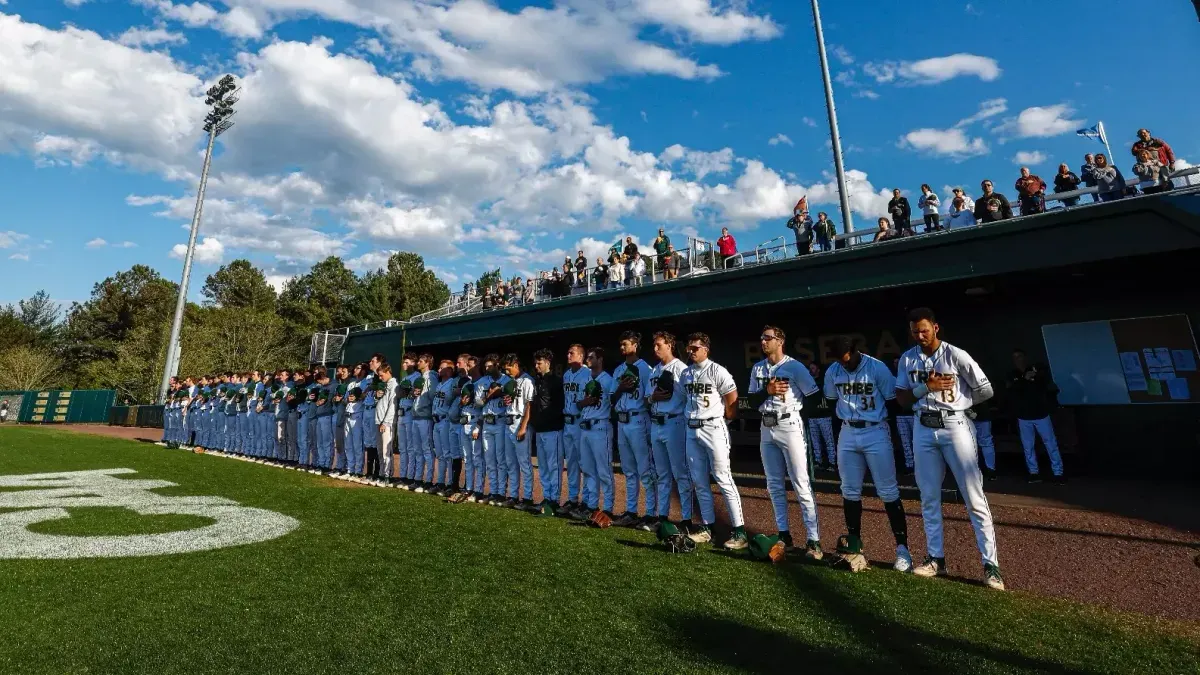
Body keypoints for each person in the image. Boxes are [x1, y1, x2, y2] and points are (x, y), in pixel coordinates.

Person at [894, 307, 1004, 591]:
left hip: (954, 425)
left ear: (936, 328)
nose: (920, 335)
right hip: (923, 426)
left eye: (925, 330)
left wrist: (963, 406)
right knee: (929, 496)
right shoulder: (908, 358)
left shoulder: (955, 354)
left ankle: (991, 567)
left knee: (974, 497)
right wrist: (926, 388)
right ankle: (935, 559)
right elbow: (903, 399)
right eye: (915, 331)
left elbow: (985, 389)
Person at [824, 336, 912, 573]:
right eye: (839, 360)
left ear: (854, 352)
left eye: (846, 359)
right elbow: (833, 402)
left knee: (888, 490)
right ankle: (855, 545)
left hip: (876, 430)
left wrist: (886, 432)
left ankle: (903, 550)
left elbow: (894, 403)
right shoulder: (834, 370)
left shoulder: (877, 367)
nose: (843, 364)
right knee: (849, 490)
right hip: (848, 431)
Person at [749, 325, 823, 559]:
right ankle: (784, 535)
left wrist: (798, 415)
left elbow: (814, 396)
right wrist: (767, 391)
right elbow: (752, 401)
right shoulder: (758, 368)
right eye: (762, 338)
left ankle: (814, 541)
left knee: (801, 483)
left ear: (780, 341)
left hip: (789, 425)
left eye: (767, 338)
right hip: (766, 426)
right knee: (774, 484)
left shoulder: (794, 367)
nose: (763, 342)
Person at [679, 332, 746, 550]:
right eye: (689, 348)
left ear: (706, 349)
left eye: (695, 348)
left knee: (723, 478)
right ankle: (707, 527)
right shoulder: (686, 373)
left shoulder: (717, 370)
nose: (691, 352)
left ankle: (739, 531)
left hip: (713, 427)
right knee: (699, 481)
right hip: (692, 430)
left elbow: (732, 398)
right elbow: (682, 397)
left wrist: (726, 418)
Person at [648, 331, 693, 534]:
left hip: (674, 423)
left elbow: (687, 398)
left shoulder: (681, 369)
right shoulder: (654, 370)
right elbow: (648, 398)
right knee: (662, 475)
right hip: (656, 424)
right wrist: (653, 398)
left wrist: (668, 396)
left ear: (670, 345)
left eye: (659, 345)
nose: (655, 348)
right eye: (654, 345)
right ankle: (663, 516)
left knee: (680, 473)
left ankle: (686, 519)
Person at [610, 331, 656, 530]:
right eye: (620, 344)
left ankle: (651, 514)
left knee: (645, 470)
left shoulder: (645, 369)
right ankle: (630, 512)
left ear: (635, 345)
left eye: (625, 344)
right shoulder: (619, 369)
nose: (622, 347)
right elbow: (611, 399)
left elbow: (650, 399)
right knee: (629, 471)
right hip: (622, 422)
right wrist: (621, 388)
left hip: (639, 420)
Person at [1007, 349, 1064, 483]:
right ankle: (1034, 473)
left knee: (1051, 444)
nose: (1018, 360)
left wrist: (1034, 376)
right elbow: (1011, 390)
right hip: (1023, 416)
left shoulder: (1037, 369)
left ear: (1025, 357)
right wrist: (1023, 379)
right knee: (1028, 446)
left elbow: (1049, 386)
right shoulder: (1012, 374)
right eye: (1015, 358)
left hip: (1041, 414)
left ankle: (1058, 473)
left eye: (1020, 356)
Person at [578, 347, 616, 520]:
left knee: (604, 470)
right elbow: (578, 404)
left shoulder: (608, 380)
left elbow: (614, 402)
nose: (588, 360)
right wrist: (585, 402)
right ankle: (592, 505)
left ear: (600, 359)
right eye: (587, 357)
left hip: (601, 426)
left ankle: (608, 507)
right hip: (585, 427)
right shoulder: (585, 378)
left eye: (591, 357)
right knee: (588, 470)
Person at [531, 348, 565, 514]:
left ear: (548, 363)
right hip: (540, 429)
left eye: (540, 362)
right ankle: (547, 497)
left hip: (553, 429)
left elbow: (559, 407)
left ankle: (555, 500)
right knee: (543, 466)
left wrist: (548, 419)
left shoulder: (557, 381)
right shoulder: (536, 381)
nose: (537, 365)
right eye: (536, 362)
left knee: (554, 466)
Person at [501, 354, 537, 511]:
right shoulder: (511, 382)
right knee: (511, 463)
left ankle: (527, 498)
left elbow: (530, 405)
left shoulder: (528, 380)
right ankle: (513, 496)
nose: (506, 370)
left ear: (516, 364)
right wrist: (505, 401)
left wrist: (523, 426)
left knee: (524, 463)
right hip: (508, 421)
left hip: (520, 422)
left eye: (508, 367)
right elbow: (507, 402)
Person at [560, 344, 591, 518]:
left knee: (584, 463)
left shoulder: (587, 373)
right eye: (568, 352)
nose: (568, 354)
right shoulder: (566, 374)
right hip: (567, 422)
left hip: (580, 422)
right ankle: (573, 499)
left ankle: (586, 501)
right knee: (571, 464)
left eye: (572, 353)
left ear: (581, 356)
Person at [411, 353, 440, 492]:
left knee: (427, 450)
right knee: (417, 450)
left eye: (421, 361)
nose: (418, 363)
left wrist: (426, 407)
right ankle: (418, 479)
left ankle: (428, 481)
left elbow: (433, 396)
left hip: (425, 417)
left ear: (428, 363)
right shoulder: (419, 377)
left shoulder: (431, 377)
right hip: (416, 416)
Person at [801, 361, 836, 471]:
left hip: (824, 416)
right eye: (810, 368)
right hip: (812, 416)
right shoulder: (807, 383)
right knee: (815, 442)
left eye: (813, 368)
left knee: (829, 441)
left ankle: (832, 463)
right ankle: (818, 462)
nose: (811, 370)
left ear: (818, 370)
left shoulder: (823, 382)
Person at [890, 358, 915, 474]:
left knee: (917, 441)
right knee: (905, 441)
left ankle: (919, 465)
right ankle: (909, 465)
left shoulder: (911, 376)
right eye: (894, 362)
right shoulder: (892, 378)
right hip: (900, 414)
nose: (896, 364)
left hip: (914, 413)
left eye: (898, 362)